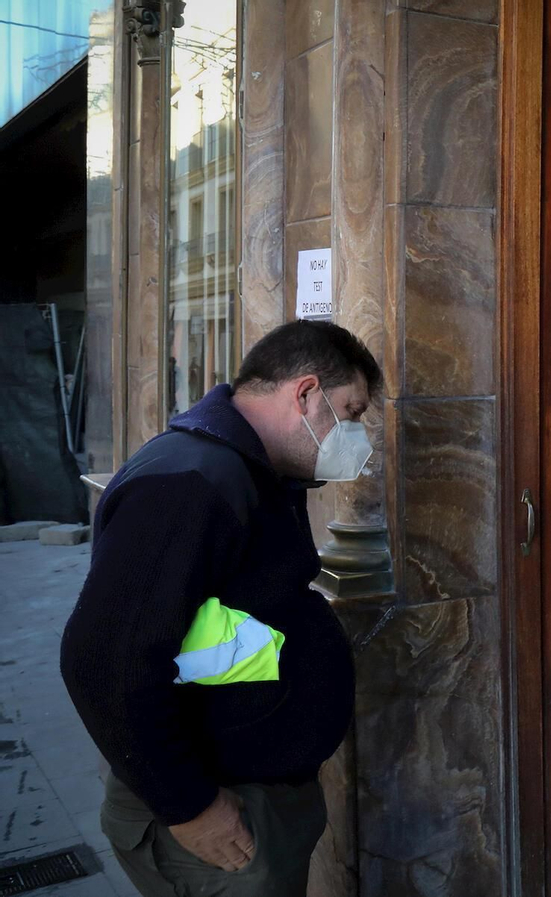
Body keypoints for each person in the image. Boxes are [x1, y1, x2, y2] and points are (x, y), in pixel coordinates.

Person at [60, 320, 380, 896]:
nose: (358, 434)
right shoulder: (192, 481)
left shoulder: (246, 471)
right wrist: (190, 808)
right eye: (352, 412)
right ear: (305, 393)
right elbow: (104, 658)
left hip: (255, 797)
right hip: (220, 822)